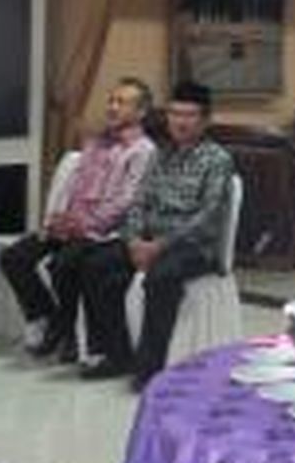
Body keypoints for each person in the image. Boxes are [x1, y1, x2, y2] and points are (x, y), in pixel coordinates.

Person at [77, 81, 235, 390]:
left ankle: (150, 370)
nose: (180, 121)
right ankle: (117, 354)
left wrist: (160, 245)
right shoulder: (159, 155)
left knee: (161, 277)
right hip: (149, 241)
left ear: (205, 120)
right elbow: (139, 202)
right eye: (175, 113)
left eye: (189, 115)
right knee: (96, 264)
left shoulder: (217, 159)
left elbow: (208, 217)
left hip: (195, 247)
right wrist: (135, 240)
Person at [0, 78, 156, 359]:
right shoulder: (96, 142)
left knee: (63, 264)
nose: (112, 107)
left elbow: (126, 201)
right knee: (14, 256)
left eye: (122, 102)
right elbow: (75, 187)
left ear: (141, 112)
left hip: (105, 232)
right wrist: (58, 220)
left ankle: (67, 331)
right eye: (111, 100)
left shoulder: (143, 150)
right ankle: (49, 318)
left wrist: (82, 225)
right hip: (72, 224)